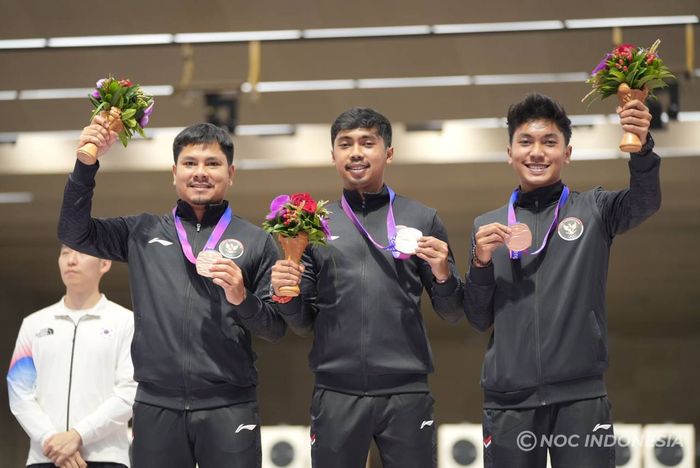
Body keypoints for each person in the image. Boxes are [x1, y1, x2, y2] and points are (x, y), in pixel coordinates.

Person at [58, 119, 286, 468]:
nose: (200, 172)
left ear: (231, 173)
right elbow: (74, 233)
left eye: (212, 164)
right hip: (155, 404)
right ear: (174, 172)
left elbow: (275, 328)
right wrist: (86, 164)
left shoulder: (257, 241)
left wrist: (243, 298)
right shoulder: (141, 231)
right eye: (190, 163)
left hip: (229, 404)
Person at [463, 93, 660, 467]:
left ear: (567, 153)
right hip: (509, 403)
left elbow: (645, 201)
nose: (537, 152)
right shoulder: (487, 228)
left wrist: (642, 147)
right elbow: (477, 317)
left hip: (580, 399)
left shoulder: (596, 210)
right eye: (526, 142)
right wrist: (480, 261)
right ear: (509, 153)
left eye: (549, 142)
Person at [271, 107, 463, 468]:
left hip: (406, 390)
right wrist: (286, 293)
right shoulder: (314, 226)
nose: (356, 152)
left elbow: (452, 312)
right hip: (336, 391)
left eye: (367, 142)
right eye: (345, 144)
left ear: (388, 152)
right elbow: (302, 324)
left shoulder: (423, 219)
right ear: (333, 156)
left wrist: (443, 274)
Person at [8, 245, 136, 468]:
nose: (71, 260)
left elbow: (130, 389)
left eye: (81, 252)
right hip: (45, 455)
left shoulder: (126, 322)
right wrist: (50, 439)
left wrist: (78, 434)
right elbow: (18, 389)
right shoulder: (34, 324)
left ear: (104, 264)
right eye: (65, 253)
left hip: (105, 458)